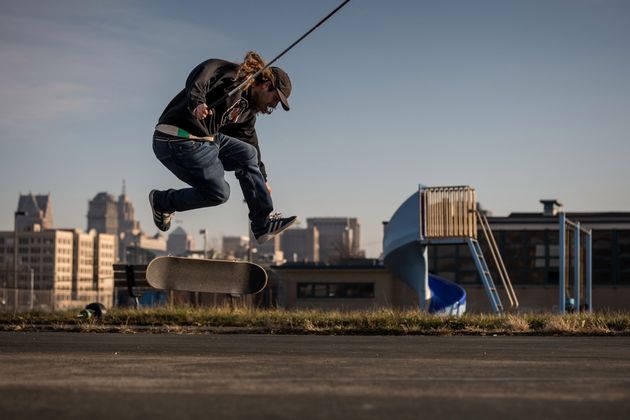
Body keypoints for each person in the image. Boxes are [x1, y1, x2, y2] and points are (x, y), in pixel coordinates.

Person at [149, 51, 297, 244]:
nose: (272, 106)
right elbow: (203, 72)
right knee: (220, 193)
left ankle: (262, 224)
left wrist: (262, 179)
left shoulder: (247, 113)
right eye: (274, 99)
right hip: (176, 139)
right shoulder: (233, 76)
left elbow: (250, 143)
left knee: (248, 152)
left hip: (206, 140)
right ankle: (162, 201)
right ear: (266, 85)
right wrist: (197, 102)